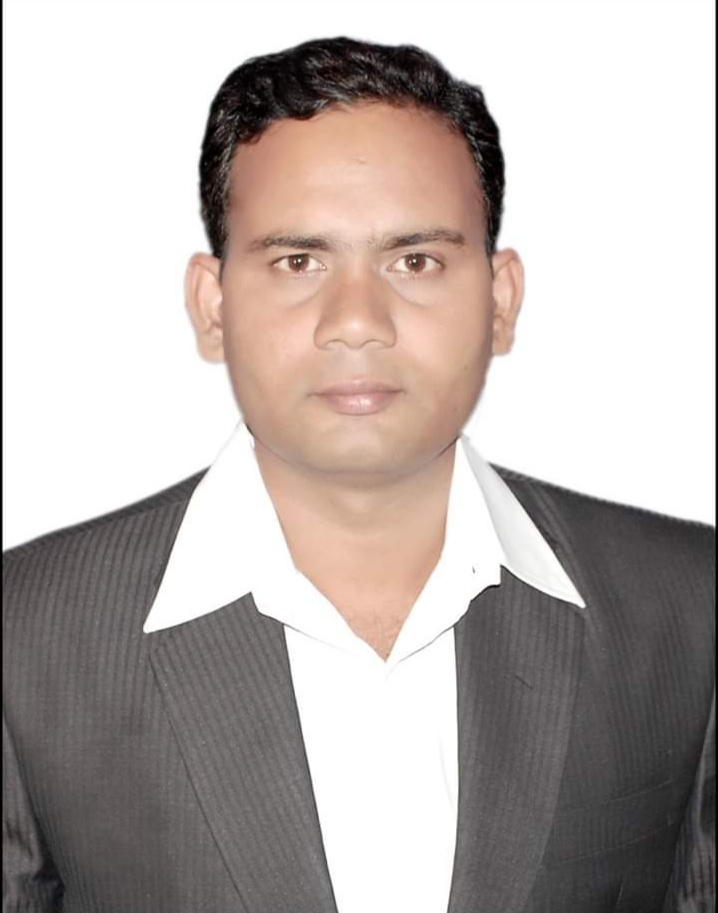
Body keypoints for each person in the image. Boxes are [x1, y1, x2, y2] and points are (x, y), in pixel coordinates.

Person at [3, 35, 713, 913]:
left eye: (415, 261)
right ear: (212, 306)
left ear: (500, 299)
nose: (356, 320)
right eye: (298, 261)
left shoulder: (688, 611)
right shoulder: (25, 638)